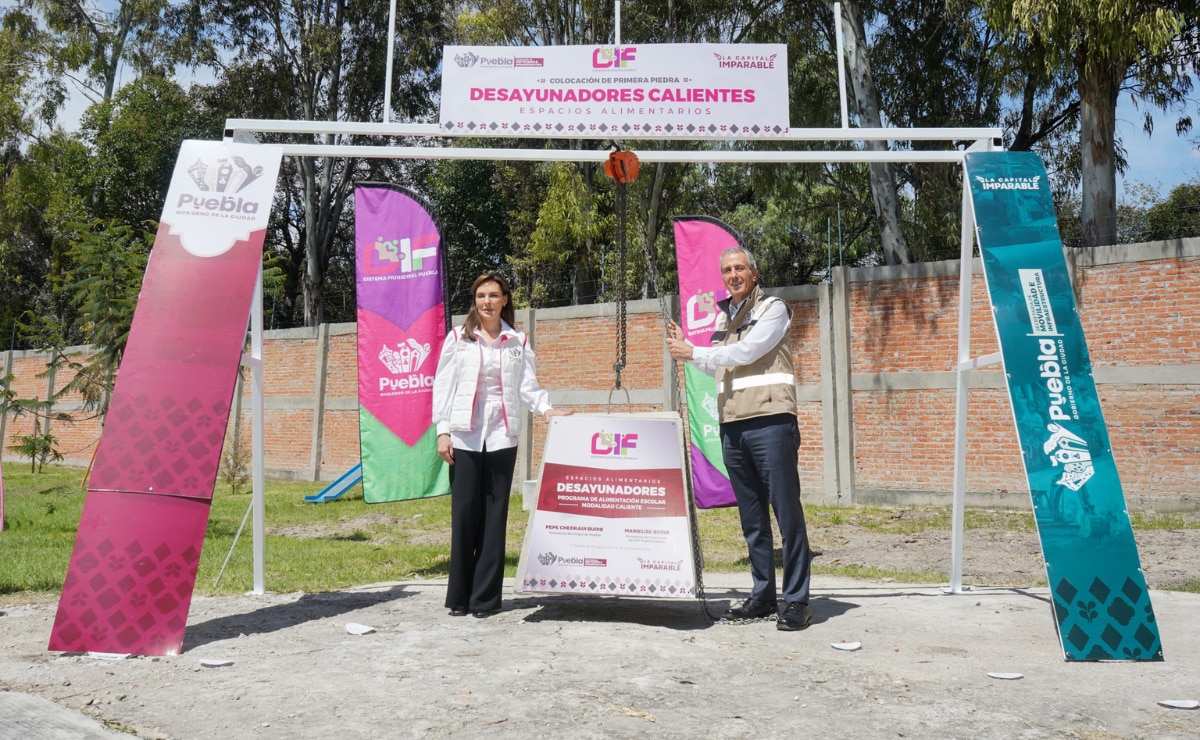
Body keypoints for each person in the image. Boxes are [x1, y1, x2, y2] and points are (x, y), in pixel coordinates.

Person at [666, 247, 814, 631]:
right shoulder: (723, 315)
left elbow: (748, 351)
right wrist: (687, 352)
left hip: (771, 421)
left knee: (786, 513)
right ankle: (763, 596)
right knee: (752, 518)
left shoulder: (773, 309)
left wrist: (693, 350)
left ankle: (796, 600)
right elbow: (717, 361)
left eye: (739, 268)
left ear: (754, 271)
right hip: (733, 426)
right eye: (727, 270)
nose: (733, 275)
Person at [432, 273, 569, 619]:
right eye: (481, 296)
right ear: (474, 300)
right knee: (465, 516)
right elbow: (443, 387)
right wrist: (442, 431)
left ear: (505, 299)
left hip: (502, 437)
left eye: (494, 295)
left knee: (495, 518)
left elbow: (528, 388)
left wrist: (548, 409)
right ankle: (459, 599)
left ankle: (485, 599)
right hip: (464, 435)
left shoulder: (517, 342)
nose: (487, 302)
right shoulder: (458, 339)